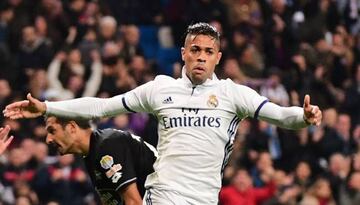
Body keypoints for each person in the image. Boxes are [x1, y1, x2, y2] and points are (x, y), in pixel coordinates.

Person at [3, 22, 322, 204]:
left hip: (205, 199)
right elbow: (102, 106)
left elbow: (280, 116)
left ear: (218, 57)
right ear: (183, 53)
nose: (201, 57)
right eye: (195, 50)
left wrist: (304, 116)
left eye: (208, 52)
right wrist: (47, 107)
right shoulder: (160, 89)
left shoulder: (233, 94)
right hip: (163, 196)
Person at [43, 116, 157, 205]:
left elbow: (134, 202)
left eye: (52, 131)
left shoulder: (108, 144)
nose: (48, 139)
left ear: (71, 127)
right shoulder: (90, 154)